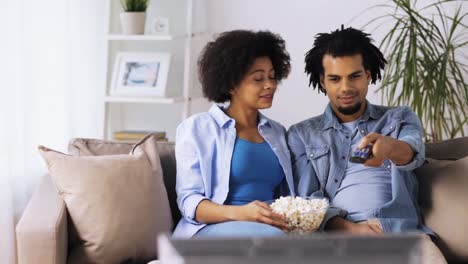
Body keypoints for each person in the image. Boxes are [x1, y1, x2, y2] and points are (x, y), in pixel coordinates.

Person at [287, 27, 446, 263]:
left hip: (401, 232)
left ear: (368, 75)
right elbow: (307, 197)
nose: (345, 88)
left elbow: (413, 153)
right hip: (339, 236)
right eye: (334, 79)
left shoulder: (398, 118)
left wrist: (388, 147)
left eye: (354, 76)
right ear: (323, 81)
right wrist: (349, 229)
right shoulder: (302, 134)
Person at [173, 30, 295, 238]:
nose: (270, 85)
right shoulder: (197, 128)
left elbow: (284, 196)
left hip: (268, 229)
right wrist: (242, 213)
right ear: (231, 84)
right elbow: (190, 202)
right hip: (211, 229)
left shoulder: (277, 133)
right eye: (258, 79)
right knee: (276, 240)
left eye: (272, 77)